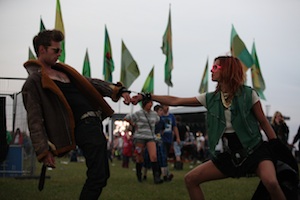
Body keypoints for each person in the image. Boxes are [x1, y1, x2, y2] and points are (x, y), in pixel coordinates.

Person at [131, 56, 288, 200]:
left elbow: (263, 121)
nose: (212, 70)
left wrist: (275, 145)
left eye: (215, 67)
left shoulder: (249, 94)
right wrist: (149, 96)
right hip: (231, 155)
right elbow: (177, 100)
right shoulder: (211, 98)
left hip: (255, 150)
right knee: (190, 179)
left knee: (271, 182)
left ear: (227, 70)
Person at [22, 29, 131, 199]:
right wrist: (43, 150)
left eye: (61, 50)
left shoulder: (64, 71)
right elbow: (34, 120)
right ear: (42, 50)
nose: (60, 53)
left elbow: (92, 83)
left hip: (94, 123)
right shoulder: (34, 81)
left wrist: (118, 91)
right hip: (81, 126)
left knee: (102, 176)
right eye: (55, 50)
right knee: (98, 176)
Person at [124, 99, 163, 184]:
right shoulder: (138, 113)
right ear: (144, 104)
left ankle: (156, 177)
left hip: (151, 136)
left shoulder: (154, 114)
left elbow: (157, 120)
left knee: (154, 156)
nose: (150, 105)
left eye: (151, 103)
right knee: (139, 157)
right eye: (149, 103)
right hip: (140, 137)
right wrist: (133, 124)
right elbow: (127, 118)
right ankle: (139, 175)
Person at [160, 104, 179, 181]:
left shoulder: (171, 116)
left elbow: (174, 127)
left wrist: (177, 137)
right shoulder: (160, 116)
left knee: (166, 156)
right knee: (163, 156)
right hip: (161, 139)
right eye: (165, 106)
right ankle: (165, 174)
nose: (167, 107)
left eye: (168, 106)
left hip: (169, 138)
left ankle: (165, 172)